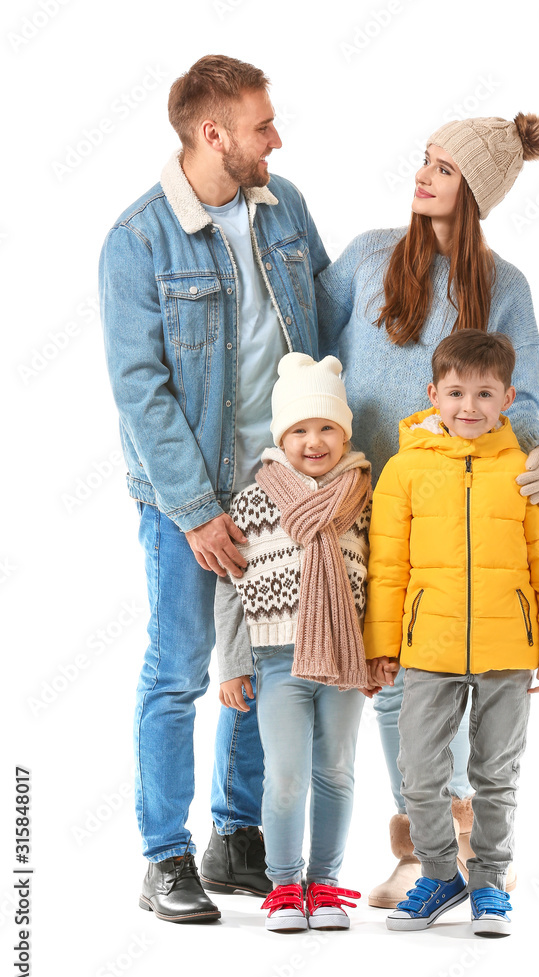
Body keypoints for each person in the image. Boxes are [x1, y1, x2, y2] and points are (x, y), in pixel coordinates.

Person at [98, 54, 329, 922]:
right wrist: (196, 512)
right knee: (179, 671)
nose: (277, 138)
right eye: (263, 125)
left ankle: (237, 835)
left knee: (266, 663)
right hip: (187, 494)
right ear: (213, 133)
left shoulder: (284, 208)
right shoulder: (137, 240)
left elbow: (326, 323)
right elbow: (140, 389)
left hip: (281, 485)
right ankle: (165, 856)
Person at [316, 113, 539, 906]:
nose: (423, 175)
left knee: (455, 675)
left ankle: (452, 849)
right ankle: (435, 846)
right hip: (361, 498)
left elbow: (520, 404)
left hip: (454, 508)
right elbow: (309, 357)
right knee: (394, 679)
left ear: (478, 191)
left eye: (444, 168)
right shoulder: (366, 256)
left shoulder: (507, 287)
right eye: (426, 159)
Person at [364, 330, 539, 936]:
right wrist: (382, 645)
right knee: (419, 771)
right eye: (456, 392)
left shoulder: (524, 472)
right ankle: (438, 874)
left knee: (495, 773)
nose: (469, 406)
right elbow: (388, 566)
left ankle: (489, 883)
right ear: (433, 394)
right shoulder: (402, 473)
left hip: (508, 650)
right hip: (427, 650)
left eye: (485, 393)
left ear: (508, 397)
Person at [214, 353, 373, 932]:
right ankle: (284, 884)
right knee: (285, 773)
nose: (314, 440)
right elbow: (231, 588)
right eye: (300, 429)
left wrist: (379, 652)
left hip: (347, 660)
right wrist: (233, 663)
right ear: (282, 435)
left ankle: (325, 885)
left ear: (345, 431)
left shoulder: (363, 496)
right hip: (278, 659)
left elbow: (381, 578)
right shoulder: (256, 500)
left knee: (336, 769)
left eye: (327, 426)